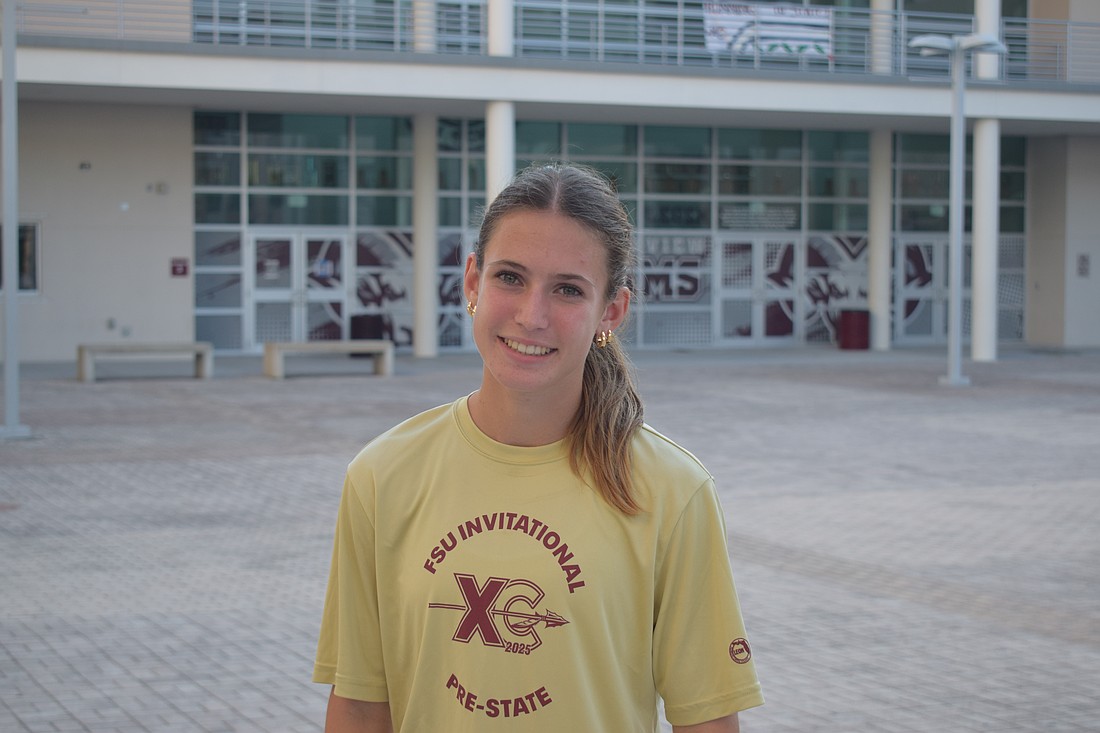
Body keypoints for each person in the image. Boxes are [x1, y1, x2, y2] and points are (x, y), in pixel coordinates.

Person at [313, 163, 764, 732]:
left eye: (568, 290)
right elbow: (357, 704)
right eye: (510, 278)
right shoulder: (382, 475)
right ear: (472, 281)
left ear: (611, 312)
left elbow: (706, 721)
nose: (532, 315)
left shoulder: (670, 490)